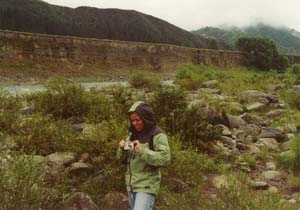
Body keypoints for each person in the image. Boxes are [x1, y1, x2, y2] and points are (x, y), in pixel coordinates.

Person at [117, 101, 171, 210]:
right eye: (132, 120)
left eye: (138, 120)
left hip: (147, 185)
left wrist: (143, 151)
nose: (135, 123)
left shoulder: (157, 135)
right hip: (131, 186)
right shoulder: (132, 135)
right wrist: (121, 149)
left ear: (146, 118)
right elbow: (121, 159)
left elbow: (165, 158)